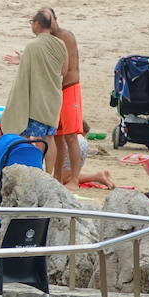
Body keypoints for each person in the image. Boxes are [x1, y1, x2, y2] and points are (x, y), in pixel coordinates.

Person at [1, 8, 67, 175]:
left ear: (37, 24)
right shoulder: (60, 44)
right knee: (49, 138)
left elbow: (25, 76)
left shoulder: (32, 46)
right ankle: (48, 174)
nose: (31, 25)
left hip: (36, 102)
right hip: (53, 100)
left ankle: (26, 170)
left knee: (25, 136)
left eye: (32, 22)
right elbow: (63, 71)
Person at [48, 13, 83, 187]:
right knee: (57, 137)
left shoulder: (65, 36)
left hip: (69, 88)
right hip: (57, 91)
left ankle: (75, 179)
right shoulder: (48, 39)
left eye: (50, 19)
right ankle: (57, 177)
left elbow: (66, 67)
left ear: (55, 19)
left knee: (71, 136)